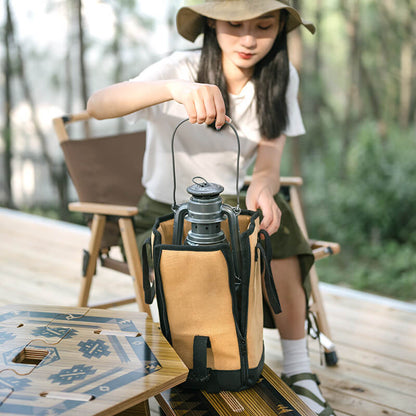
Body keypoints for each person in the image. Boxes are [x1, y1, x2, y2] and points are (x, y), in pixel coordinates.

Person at [87, 1, 335, 414]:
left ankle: (298, 369)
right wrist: (175, 91)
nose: (249, 38)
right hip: (166, 211)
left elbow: (269, 161)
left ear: (278, 28)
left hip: (232, 201)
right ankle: (201, 360)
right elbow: (98, 105)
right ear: (211, 24)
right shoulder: (181, 70)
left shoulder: (280, 77)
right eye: (234, 25)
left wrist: (263, 188)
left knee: (279, 222)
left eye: (264, 25)